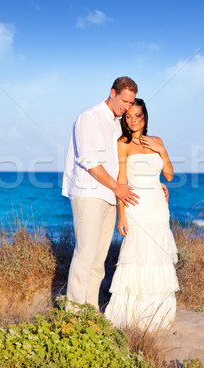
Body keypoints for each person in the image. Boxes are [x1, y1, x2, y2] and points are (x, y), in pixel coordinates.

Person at [62, 76, 140, 309]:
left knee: (99, 259)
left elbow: (121, 162)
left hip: (109, 196)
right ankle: (73, 312)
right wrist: (117, 187)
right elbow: (88, 159)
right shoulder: (90, 116)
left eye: (130, 103)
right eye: (124, 101)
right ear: (112, 92)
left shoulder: (117, 123)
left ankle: (90, 308)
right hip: (88, 192)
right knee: (85, 253)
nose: (127, 107)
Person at [104, 98, 179, 330]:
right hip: (136, 206)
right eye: (129, 116)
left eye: (138, 115)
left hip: (157, 206)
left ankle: (157, 312)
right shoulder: (123, 143)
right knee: (137, 256)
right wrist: (122, 214)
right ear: (125, 120)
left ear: (145, 117)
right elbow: (121, 180)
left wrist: (162, 150)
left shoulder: (157, 141)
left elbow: (169, 176)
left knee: (157, 255)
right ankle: (131, 313)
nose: (133, 120)